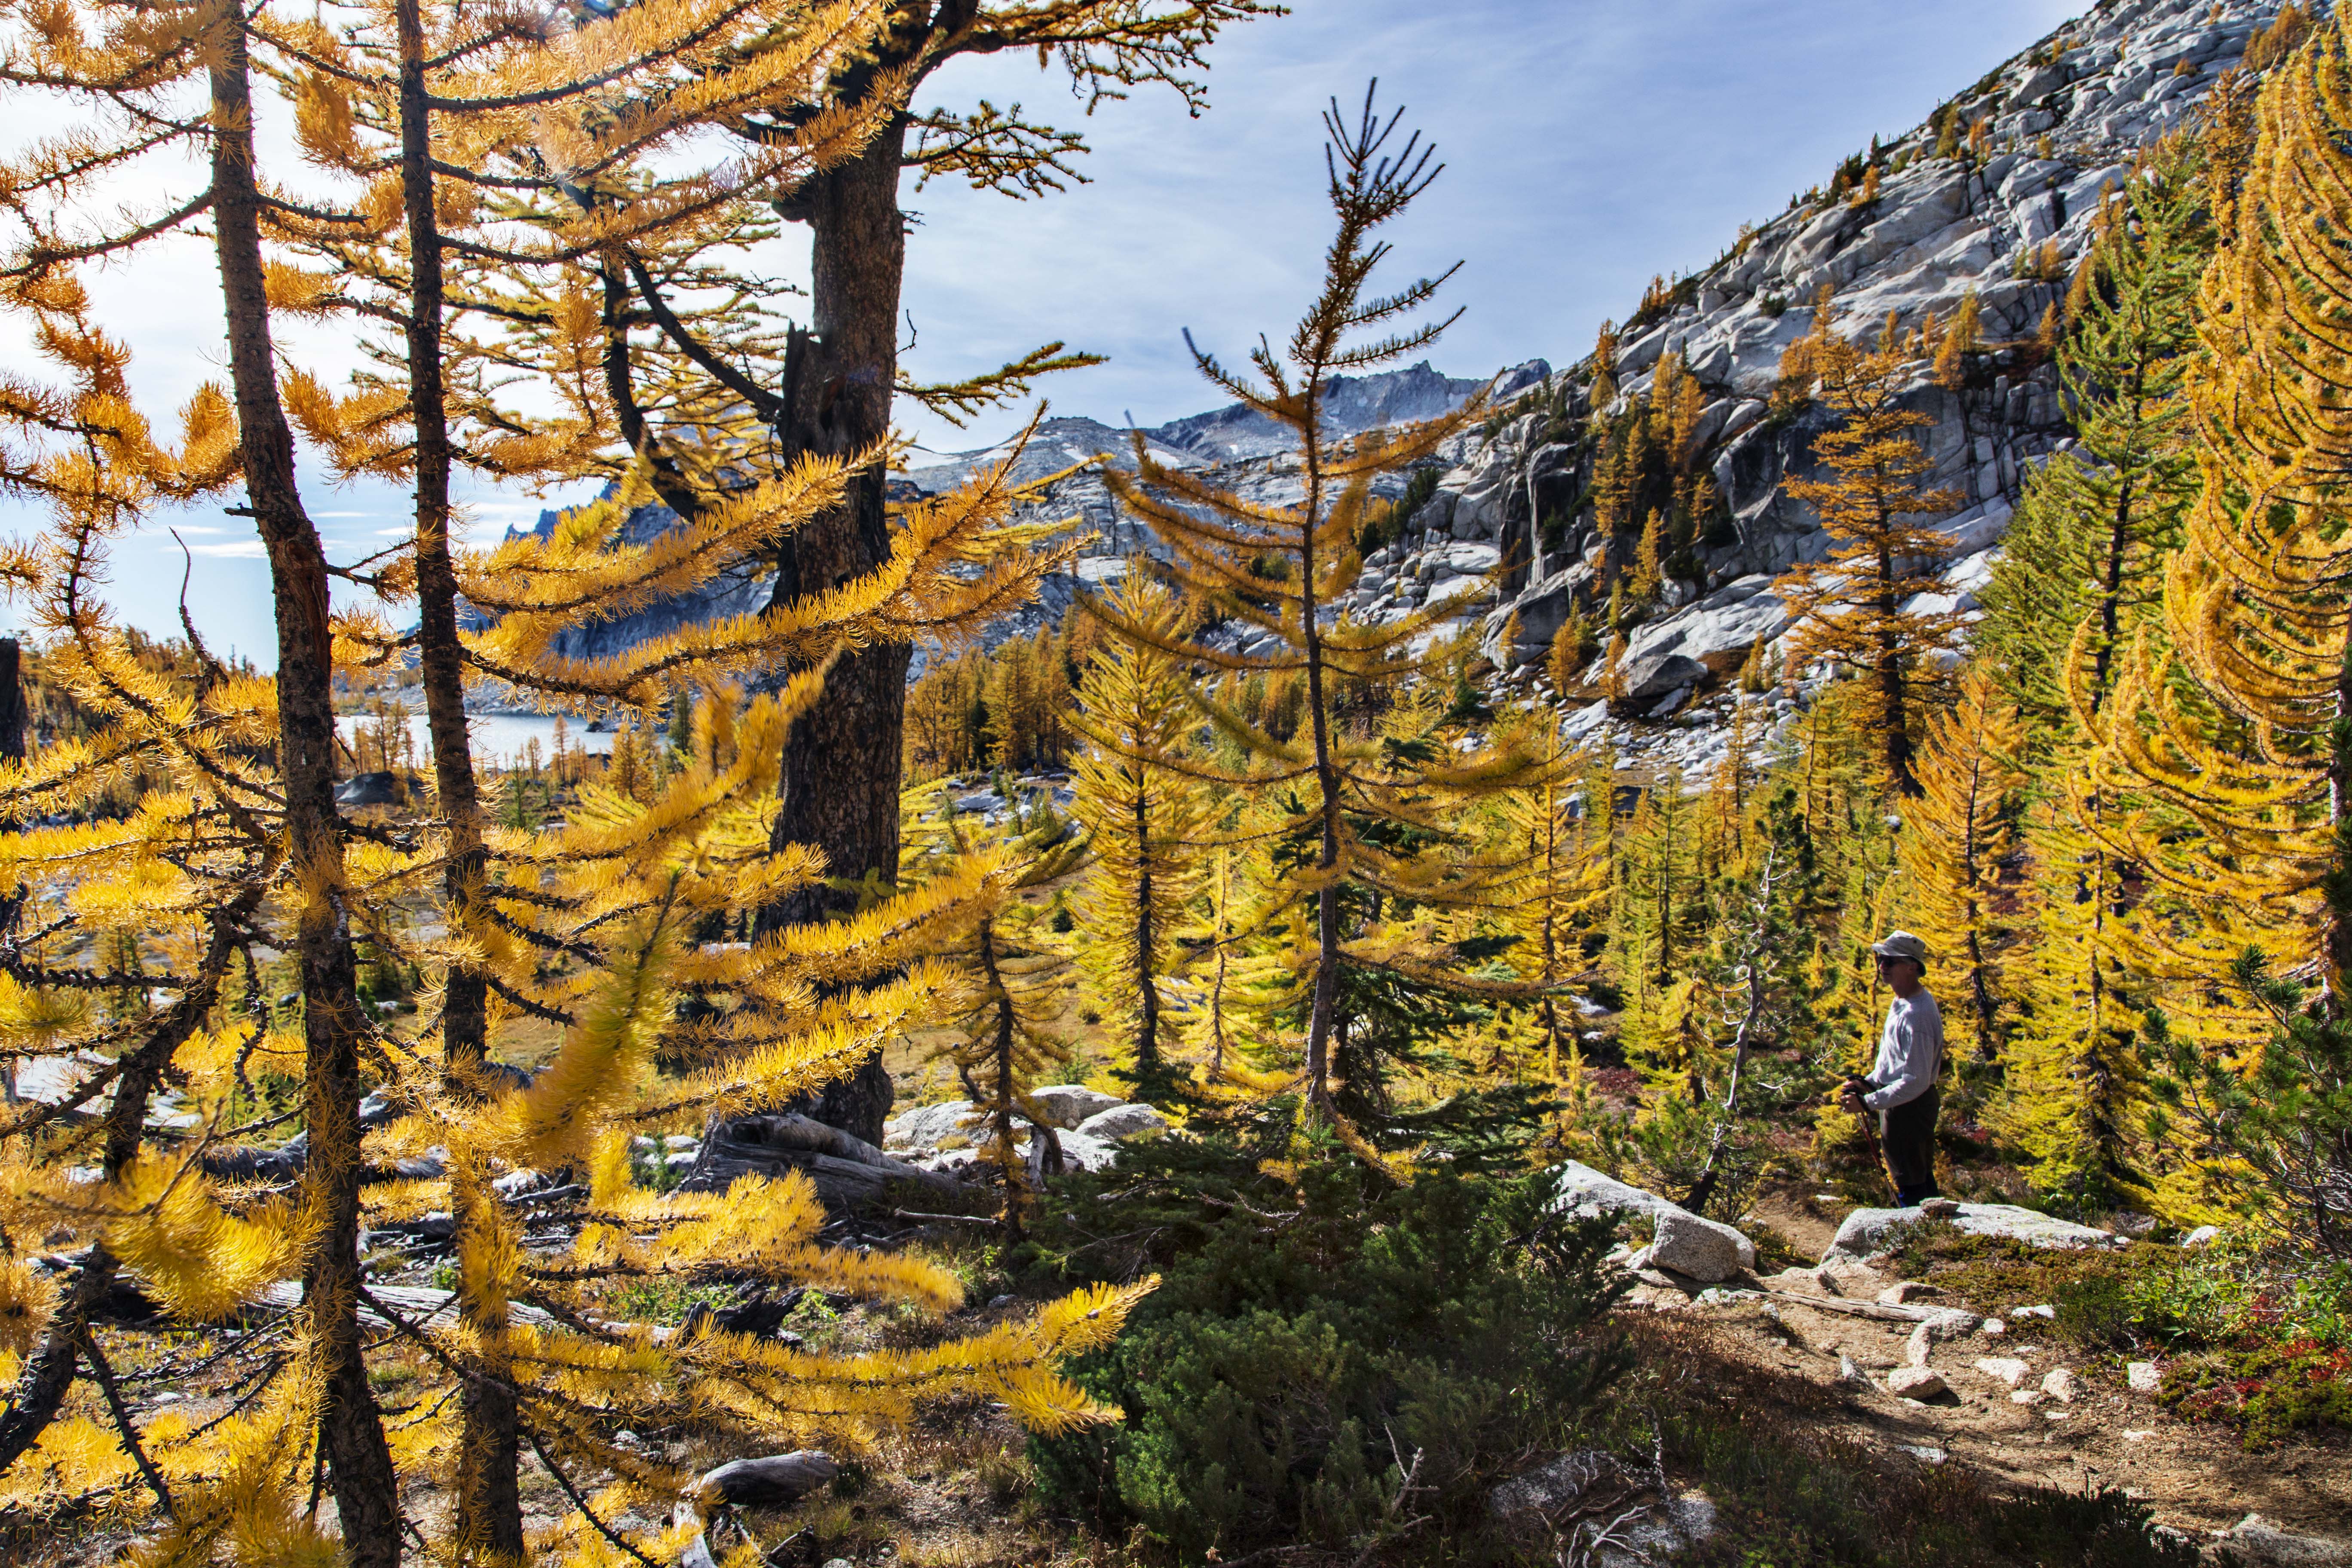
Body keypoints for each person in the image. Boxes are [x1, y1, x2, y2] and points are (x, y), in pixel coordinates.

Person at [1840, 930, 1944, 1206]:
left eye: (1890, 961)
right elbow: (1894, 1061)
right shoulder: (1903, 1001)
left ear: (1912, 967)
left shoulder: (1916, 1014)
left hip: (1910, 1107)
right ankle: (1934, 1231)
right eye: (1881, 959)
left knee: (1911, 1181)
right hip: (1903, 1103)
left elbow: (1915, 1080)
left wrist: (1868, 1102)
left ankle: (1922, 1237)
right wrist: (1869, 1083)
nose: (1882, 967)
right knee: (1915, 1174)